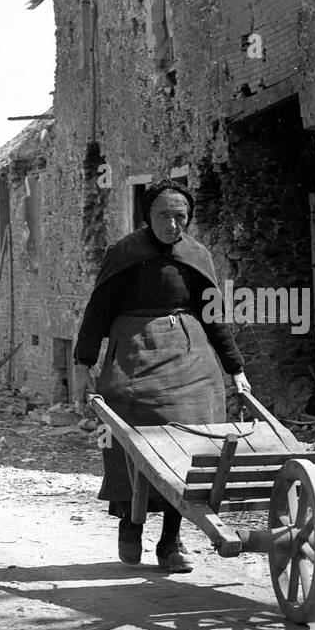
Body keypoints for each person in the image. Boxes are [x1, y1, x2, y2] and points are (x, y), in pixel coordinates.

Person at [76, 179, 249, 573]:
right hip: (133, 359)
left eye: (180, 217)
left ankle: (170, 541)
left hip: (190, 361)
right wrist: (84, 361)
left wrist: (235, 368)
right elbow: (98, 308)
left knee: (194, 442)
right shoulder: (123, 254)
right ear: (147, 216)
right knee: (129, 436)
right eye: (163, 216)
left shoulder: (195, 255)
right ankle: (130, 523)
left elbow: (214, 316)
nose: (172, 224)